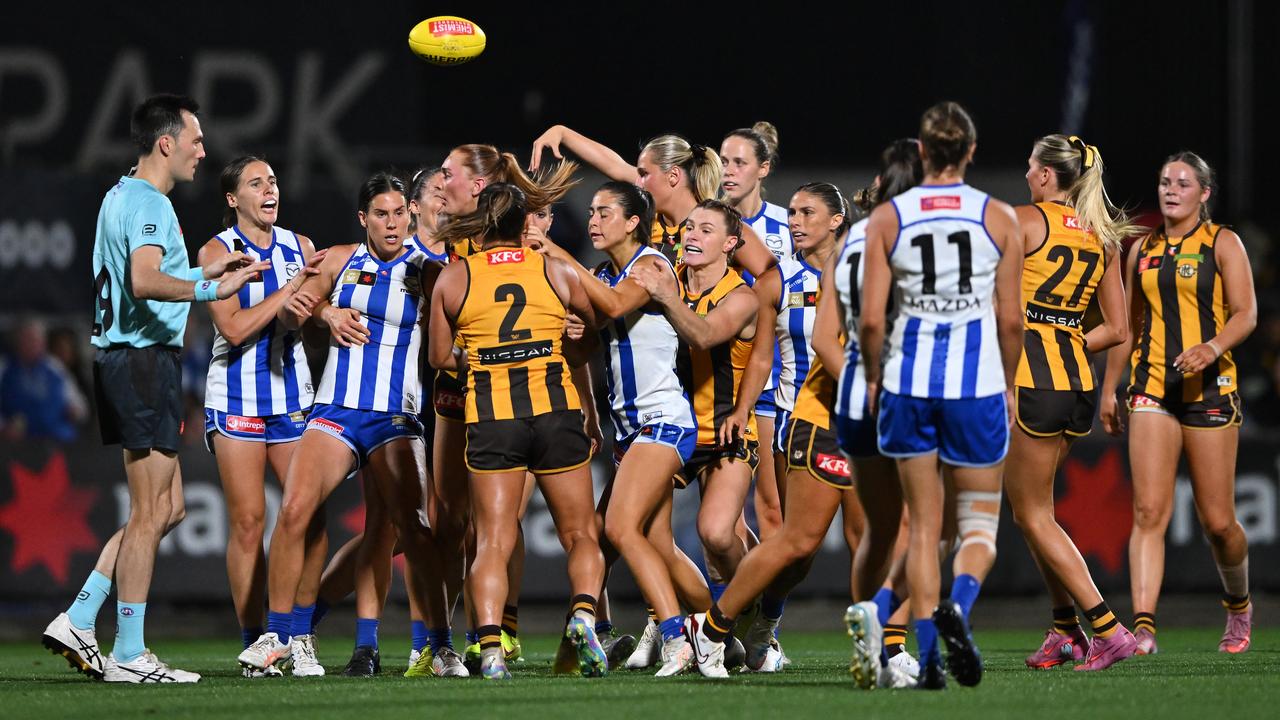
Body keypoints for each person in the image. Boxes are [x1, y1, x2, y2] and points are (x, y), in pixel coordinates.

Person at [41, 94, 268, 683]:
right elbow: (144, 281)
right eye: (195, 139)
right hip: (141, 363)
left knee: (170, 508)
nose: (203, 149)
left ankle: (82, 614)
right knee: (148, 513)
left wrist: (207, 274)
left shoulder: (120, 195)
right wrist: (208, 293)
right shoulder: (149, 203)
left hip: (133, 361)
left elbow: (143, 276)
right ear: (165, 143)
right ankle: (129, 652)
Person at [238, 172, 447, 678]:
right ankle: (281, 635)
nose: (392, 223)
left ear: (411, 215)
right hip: (336, 410)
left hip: (396, 416)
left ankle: (439, 647)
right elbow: (291, 312)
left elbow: (454, 330)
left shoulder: (431, 270)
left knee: (414, 531)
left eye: (399, 213)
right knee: (294, 510)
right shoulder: (338, 258)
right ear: (364, 219)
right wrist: (326, 312)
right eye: (381, 214)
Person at [859, 102, 1023, 690]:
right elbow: (1012, 320)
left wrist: (876, 376)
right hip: (974, 387)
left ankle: (926, 655)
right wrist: (1007, 381)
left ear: (923, 152)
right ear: (971, 151)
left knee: (924, 528)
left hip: (907, 384)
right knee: (977, 526)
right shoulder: (1000, 217)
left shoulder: (888, 219)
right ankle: (960, 603)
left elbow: (872, 320)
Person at [429, 183, 607, 681]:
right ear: (523, 224)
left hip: (493, 418)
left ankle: (489, 651)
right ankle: (583, 616)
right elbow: (588, 339)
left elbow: (439, 358)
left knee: (492, 541)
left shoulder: (454, 277)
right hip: (556, 413)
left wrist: (481, 357)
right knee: (580, 534)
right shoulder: (558, 270)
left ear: (482, 225)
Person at [535, 181, 710, 677]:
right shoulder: (603, 273)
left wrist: (554, 251)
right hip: (631, 432)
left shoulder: (651, 264)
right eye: (591, 211)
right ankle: (720, 629)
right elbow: (589, 339)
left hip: (665, 420)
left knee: (616, 528)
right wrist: (578, 333)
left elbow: (613, 307)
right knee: (657, 547)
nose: (594, 219)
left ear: (634, 222)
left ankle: (676, 638)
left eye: (605, 212)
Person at [689, 182, 853, 675]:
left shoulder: (862, 273)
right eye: (794, 212)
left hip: (862, 422)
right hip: (793, 418)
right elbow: (761, 355)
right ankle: (753, 626)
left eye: (808, 213)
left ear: (836, 221)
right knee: (795, 544)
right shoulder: (779, 281)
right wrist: (742, 410)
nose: (795, 222)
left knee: (872, 536)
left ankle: (885, 644)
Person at [1100, 151, 1257, 655]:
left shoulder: (1223, 243)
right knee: (1148, 511)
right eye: (1165, 180)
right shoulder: (1140, 249)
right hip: (1152, 390)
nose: (1170, 189)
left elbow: (1247, 313)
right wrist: (1110, 388)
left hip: (1210, 391)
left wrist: (1211, 348)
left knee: (1219, 523)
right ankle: (1143, 627)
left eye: (1182, 183)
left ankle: (1238, 605)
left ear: (1204, 194)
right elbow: (1127, 328)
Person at [1004, 135, 1139, 671]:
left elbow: (1007, 313)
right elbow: (1119, 328)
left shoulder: (1023, 220)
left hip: (1031, 381)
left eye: (1030, 164)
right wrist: (1064, 336)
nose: (1027, 172)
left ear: (1043, 175)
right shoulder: (1102, 236)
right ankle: (1064, 630)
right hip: (1075, 383)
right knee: (1037, 511)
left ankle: (1106, 629)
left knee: (1032, 514)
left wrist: (1031, 346)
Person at [199, 155, 329, 677]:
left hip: (291, 396)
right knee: (250, 522)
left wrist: (318, 311)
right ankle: (258, 645)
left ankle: (297, 635)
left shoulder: (301, 248)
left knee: (311, 519)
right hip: (235, 397)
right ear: (234, 200)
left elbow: (316, 306)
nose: (269, 189)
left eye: (273, 180)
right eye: (256, 183)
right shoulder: (217, 251)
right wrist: (287, 293)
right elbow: (233, 330)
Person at [630, 200, 760, 678]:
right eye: (689, 226)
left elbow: (704, 336)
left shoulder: (741, 295)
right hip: (674, 429)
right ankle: (713, 630)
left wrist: (665, 297)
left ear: (729, 244)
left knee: (716, 532)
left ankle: (743, 609)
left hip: (726, 430)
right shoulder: (670, 277)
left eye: (706, 229)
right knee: (647, 534)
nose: (692, 235)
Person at [529, 126, 778, 277]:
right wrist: (562, 133)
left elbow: (773, 278)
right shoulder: (652, 218)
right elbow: (614, 166)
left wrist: (746, 317)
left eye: (644, 174)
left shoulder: (720, 224)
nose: (637, 181)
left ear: (672, 177)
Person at [720, 122, 792, 551]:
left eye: (740, 163)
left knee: (769, 507)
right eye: (725, 162)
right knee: (719, 521)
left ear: (762, 169)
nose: (729, 171)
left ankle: (767, 617)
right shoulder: (706, 221)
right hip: (713, 378)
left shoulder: (788, 225)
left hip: (766, 377)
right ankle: (731, 611)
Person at [0, 319, 89, 443]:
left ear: (43, 343)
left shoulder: (55, 367)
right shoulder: (4, 367)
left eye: (36, 340)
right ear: (17, 342)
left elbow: (80, 407)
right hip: (19, 442)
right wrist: (3, 427)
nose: (32, 345)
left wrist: (75, 411)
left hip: (56, 439)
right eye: (27, 340)